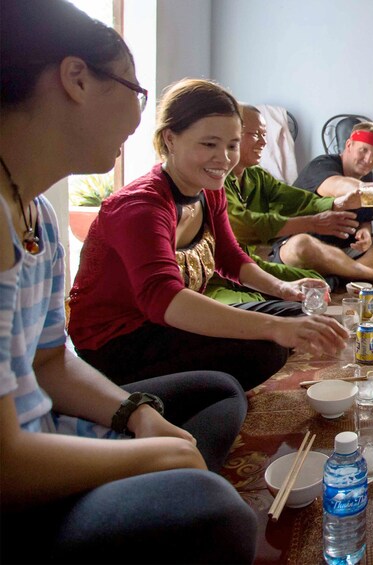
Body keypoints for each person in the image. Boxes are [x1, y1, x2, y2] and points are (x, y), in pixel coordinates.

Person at [0, 1, 256, 561]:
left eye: (230, 144)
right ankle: (178, 501)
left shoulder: (35, 212)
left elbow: (50, 361)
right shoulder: (133, 203)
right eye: (135, 90)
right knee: (219, 516)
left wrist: (134, 415)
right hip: (19, 490)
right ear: (76, 79)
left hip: (50, 428)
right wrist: (152, 455)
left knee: (216, 395)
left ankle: (169, 501)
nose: (141, 117)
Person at [68, 79, 349, 391]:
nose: (224, 158)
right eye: (209, 144)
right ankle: (178, 394)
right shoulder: (141, 207)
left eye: (231, 145)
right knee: (266, 348)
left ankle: (206, 385)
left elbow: (229, 257)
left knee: (299, 313)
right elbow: (164, 299)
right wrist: (275, 328)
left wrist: (283, 288)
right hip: (119, 342)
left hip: (168, 323)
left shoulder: (208, 191)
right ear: (170, 139)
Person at [205, 104, 360, 304]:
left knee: (317, 283)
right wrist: (313, 223)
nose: (263, 142)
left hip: (248, 265)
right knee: (262, 303)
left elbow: (296, 198)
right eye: (255, 135)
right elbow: (245, 226)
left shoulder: (256, 176)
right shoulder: (214, 180)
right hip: (216, 278)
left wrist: (336, 203)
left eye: (264, 134)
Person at [287, 121, 373, 283]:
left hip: (347, 250)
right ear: (349, 145)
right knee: (300, 246)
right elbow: (339, 187)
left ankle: (344, 276)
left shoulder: (371, 177)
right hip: (314, 248)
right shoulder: (321, 165)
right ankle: (366, 274)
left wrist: (366, 234)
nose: (368, 159)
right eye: (363, 150)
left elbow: (365, 222)